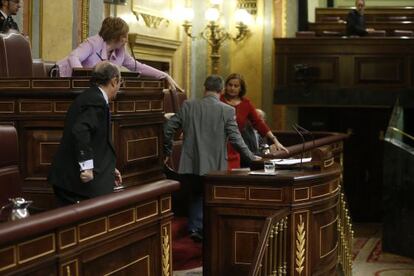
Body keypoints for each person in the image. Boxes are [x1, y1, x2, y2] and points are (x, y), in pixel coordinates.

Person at [163, 75, 260, 242]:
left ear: (204, 88)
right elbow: (236, 140)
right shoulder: (227, 110)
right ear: (221, 90)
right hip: (216, 166)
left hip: (191, 163)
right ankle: (210, 232)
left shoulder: (188, 105)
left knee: (195, 194)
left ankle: (195, 228)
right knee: (213, 198)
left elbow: (168, 129)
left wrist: (167, 150)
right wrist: (252, 157)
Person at [48, 61, 123, 206]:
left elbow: (95, 139)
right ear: (114, 81)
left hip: (72, 181)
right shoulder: (96, 100)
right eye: (120, 82)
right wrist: (87, 167)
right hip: (74, 184)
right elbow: (80, 131)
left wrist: (107, 168)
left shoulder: (92, 97)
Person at [57, 17, 181, 91]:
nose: (126, 39)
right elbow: (74, 56)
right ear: (115, 36)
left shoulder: (120, 51)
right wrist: (82, 77)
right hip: (62, 82)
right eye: (124, 36)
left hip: (91, 89)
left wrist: (164, 75)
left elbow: (139, 67)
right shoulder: (93, 43)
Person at [221, 73, 288, 170]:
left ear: (241, 88)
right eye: (230, 85)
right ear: (225, 86)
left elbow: (259, 123)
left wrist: (275, 141)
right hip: (218, 144)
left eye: (236, 86)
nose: (232, 88)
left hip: (235, 146)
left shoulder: (246, 104)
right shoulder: (220, 100)